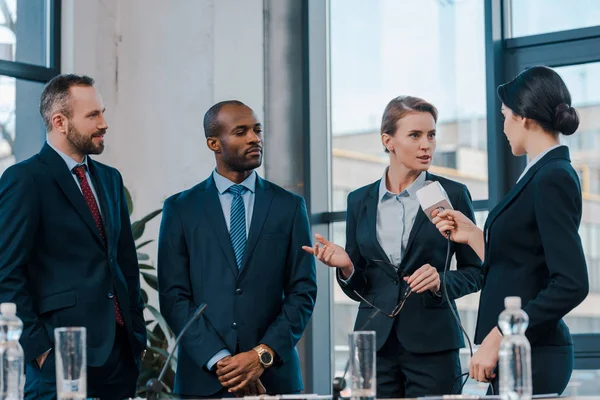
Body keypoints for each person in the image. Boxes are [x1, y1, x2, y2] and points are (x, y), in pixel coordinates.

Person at [303, 96, 482, 398]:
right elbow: (361, 286)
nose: (427, 145)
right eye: (415, 135)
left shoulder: (452, 193)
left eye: (431, 135)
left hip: (433, 344)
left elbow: (476, 271)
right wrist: (347, 267)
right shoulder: (359, 200)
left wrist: (441, 281)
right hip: (373, 345)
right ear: (388, 141)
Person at [433, 65, 589, 395]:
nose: (503, 127)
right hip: (520, 353)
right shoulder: (538, 173)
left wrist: (503, 333)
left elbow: (572, 283)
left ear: (524, 117)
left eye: (505, 116)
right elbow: (526, 262)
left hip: (532, 354)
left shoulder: (552, 176)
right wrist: (475, 236)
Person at [0, 74, 146, 400]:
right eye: (93, 115)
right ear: (60, 121)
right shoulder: (24, 180)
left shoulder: (109, 178)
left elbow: (125, 263)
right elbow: (5, 274)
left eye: (103, 112)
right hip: (59, 358)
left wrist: (136, 333)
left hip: (120, 356)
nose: (104, 123)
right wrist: (39, 351)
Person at [157, 100, 317, 398]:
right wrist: (221, 361)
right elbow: (173, 296)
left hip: (274, 380)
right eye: (241, 131)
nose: (254, 138)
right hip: (203, 382)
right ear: (214, 143)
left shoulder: (289, 207)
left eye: (257, 130)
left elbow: (302, 292)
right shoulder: (181, 209)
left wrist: (261, 355)